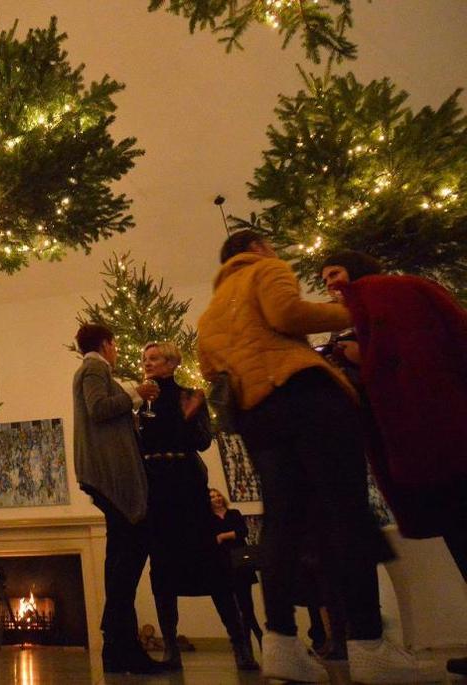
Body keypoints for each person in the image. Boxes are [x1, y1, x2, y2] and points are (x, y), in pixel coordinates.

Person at [197, 230, 439, 683]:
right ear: (257, 249)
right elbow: (286, 312)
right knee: (344, 513)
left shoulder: (210, 313)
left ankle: (281, 644)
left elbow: (211, 368)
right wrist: (352, 311)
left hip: (257, 414)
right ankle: (369, 645)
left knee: (281, 522)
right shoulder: (265, 270)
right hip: (307, 397)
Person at [321, 250, 467, 679]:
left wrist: (359, 358)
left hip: (438, 437)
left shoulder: (384, 296)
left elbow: (408, 364)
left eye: (335, 273)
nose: (331, 283)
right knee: (460, 535)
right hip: (438, 439)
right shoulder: (398, 295)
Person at [136, 342, 257, 671]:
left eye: (155, 358)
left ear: (171, 363)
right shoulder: (138, 403)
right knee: (162, 568)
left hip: (187, 488)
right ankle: (171, 648)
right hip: (156, 491)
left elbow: (203, 440)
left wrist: (183, 417)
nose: (148, 363)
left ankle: (240, 645)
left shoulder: (191, 396)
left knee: (213, 565)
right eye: (145, 359)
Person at [72, 323, 169, 675]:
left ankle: (117, 646)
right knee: (129, 555)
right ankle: (120, 642)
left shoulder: (92, 370)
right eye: (115, 344)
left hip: (103, 475)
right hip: (108, 475)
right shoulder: (95, 368)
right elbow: (98, 408)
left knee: (120, 556)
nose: (117, 350)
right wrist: (136, 393)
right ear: (107, 344)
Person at [208, 488, 263, 652]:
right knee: (234, 606)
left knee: (246, 605)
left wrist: (223, 536)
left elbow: (243, 532)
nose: (217, 498)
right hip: (222, 565)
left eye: (218, 495)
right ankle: (249, 641)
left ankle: (255, 636)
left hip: (240, 564)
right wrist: (229, 535)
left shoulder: (234, 513)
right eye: (212, 497)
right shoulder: (208, 519)